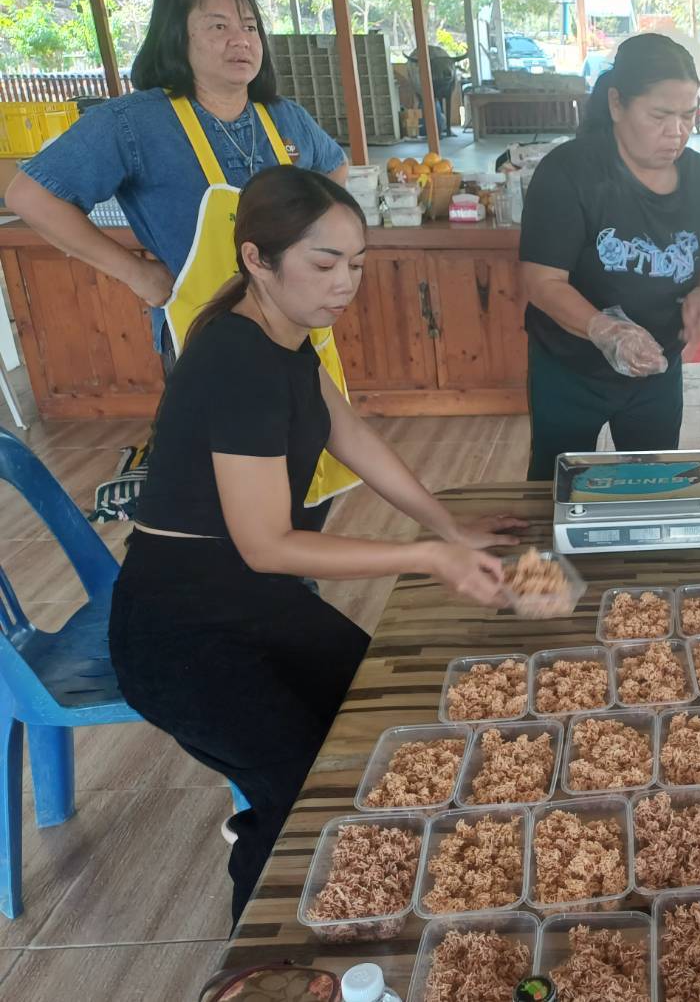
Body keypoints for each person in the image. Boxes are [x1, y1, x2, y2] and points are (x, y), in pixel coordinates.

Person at [108, 166, 524, 923]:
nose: (344, 285)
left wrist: (447, 525)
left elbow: (350, 432)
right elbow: (268, 544)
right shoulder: (237, 359)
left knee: (378, 727)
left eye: (356, 266)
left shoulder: (285, 334)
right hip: (183, 636)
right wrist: (427, 556)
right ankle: (262, 962)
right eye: (324, 264)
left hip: (250, 604)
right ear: (256, 261)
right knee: (307, 799)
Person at [8, 0, 348, 371]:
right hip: (205, 334)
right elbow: (30, 194)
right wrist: (135, 273)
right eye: (218, 26)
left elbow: (334, 168)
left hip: (297, 327)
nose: (241, 39)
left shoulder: (283, 117)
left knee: (315, 432)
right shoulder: (133, 122)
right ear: (175, 37)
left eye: (250, 27)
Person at [518, 33, 700, 481]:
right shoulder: (570, 174)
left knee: (650, 480)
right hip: (569, 369)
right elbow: (542, 281)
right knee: (557, 483)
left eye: (688, 115)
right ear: (617, 104)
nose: (676, 131)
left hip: (657, 369)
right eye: (659, 115)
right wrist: (605, 330)